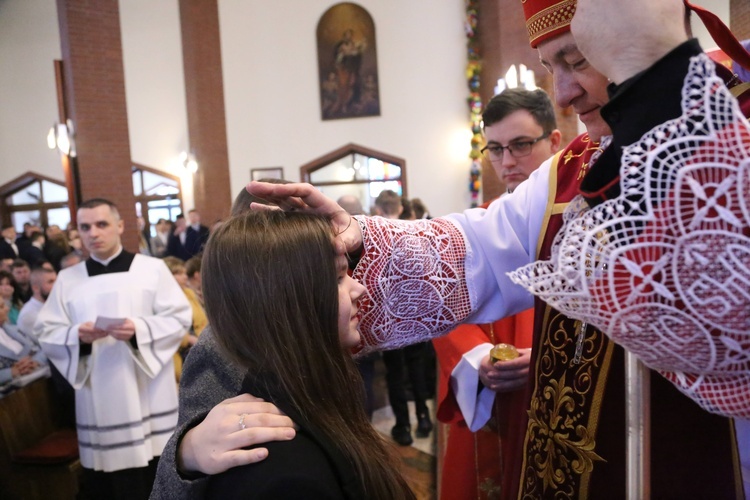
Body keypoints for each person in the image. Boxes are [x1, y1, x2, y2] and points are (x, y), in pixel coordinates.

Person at [244, 0, 747, 497]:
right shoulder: (570, 170)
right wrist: (359, 244)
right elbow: (478, 252)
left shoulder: (737, 125)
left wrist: (657, 82)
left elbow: (722, 317)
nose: (565, 93)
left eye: (576, 60)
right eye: (551, 67)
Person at [187, 210, 413, 499]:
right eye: (339, 278)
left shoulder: (312, 391)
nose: (360, 288)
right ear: (287, 301)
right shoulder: (285, 472)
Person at [432, 87, 561, 499]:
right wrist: (477, 359)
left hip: (561, 402)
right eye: (496, 148)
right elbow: (445, 299)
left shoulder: (583, 221)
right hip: (492, 405)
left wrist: (545, 357)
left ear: (554, 141)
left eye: (521, 145)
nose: (507, 163)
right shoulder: (482, 224)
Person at [35, 198, 192, 500]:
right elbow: (46, 331)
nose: (93, 233)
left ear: (120, 226)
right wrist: (75, 335)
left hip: (149, 391)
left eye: (101, 224)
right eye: (84, 227)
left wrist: (139, 330)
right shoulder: (68, 279)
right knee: (110, 488)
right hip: (99, 398)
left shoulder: (152, 269)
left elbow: (179, 317)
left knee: (157, 476)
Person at [373, 190, 433, 446]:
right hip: (417, 310)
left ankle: (403, 426)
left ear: (378, 209)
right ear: (400, 207)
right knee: (417, 367)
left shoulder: (376, 234)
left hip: (390, 314)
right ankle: (424, 417)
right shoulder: (418, 230)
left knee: (395, 373)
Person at [162, 256, 207, 381]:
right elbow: (166, 329)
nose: (185, 276)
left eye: (184, 273)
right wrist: (188, 339)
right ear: (167, 276)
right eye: (179, 273)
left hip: (201, 344)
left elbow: (202, 319)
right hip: (180, 352)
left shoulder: (189, 293)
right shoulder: (162, 300)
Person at [0, 299, 47, 390]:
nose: (7, 308)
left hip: (41, 380)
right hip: (9, 398)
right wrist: (12, 372)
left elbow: (44, 349)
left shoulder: (15, 329)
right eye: (1, 307)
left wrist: (35, 361)